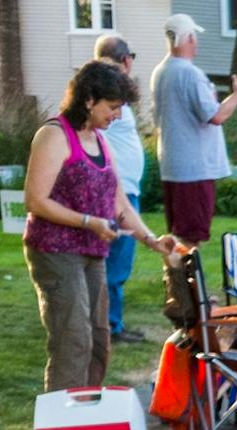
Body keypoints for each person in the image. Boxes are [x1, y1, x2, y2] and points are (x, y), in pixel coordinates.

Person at [22, 61, 175, 392]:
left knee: (99, 339)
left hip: (92, 252)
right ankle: (63, 426)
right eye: (113, 107)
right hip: (55, 251)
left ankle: (88, 414)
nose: (117, 116)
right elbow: (35, 200)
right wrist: (89, 222)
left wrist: (152, 241)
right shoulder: (53, 134)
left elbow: (119, 204)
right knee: (72, 339)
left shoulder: (101, 141)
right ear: (89, 99)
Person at [149, 13, 237, 244]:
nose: (196, 42)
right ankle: (186, 280)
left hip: (172, 166)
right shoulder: (190, 73)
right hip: (194, 169)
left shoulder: (159, 72)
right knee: (191, 238)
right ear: (189, 38)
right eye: (194, 37)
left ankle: (175, 277)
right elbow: (216, 115)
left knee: (177, 235)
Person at [90, 34, 147, 344]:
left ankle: (109, 322)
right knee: (116, 261)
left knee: (114, 259)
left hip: (121, 188)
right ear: (125, 61)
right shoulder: (109, 96)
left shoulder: (107, 96)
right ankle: (110, 326)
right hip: (117, 191)